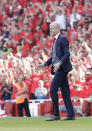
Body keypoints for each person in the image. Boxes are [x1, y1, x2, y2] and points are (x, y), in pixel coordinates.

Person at [36, 21, 75, 121]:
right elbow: (53, 57)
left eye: (52, 28)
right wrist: (44, 64)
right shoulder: (55, 40)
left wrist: (59, 63)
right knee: (65, 92)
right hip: (58, 69)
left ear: (58, 29)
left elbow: (67, 54)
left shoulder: (62, 39)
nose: (51, 30)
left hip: (61, 69)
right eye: (50, 28)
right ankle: (70, 114)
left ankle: (56, 114)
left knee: (53, 90)